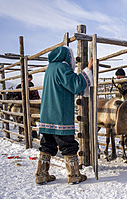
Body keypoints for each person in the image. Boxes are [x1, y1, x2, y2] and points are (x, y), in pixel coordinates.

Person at [35, 46, 93, 185]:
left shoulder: (50, 68)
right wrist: (88, 69)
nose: (71, 60)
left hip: (47, 114)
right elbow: (75, 85)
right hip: (59, 113)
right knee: (67, 143)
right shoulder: (62, 68)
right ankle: (74, 175)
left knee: (47, 144)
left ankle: (41, 174)